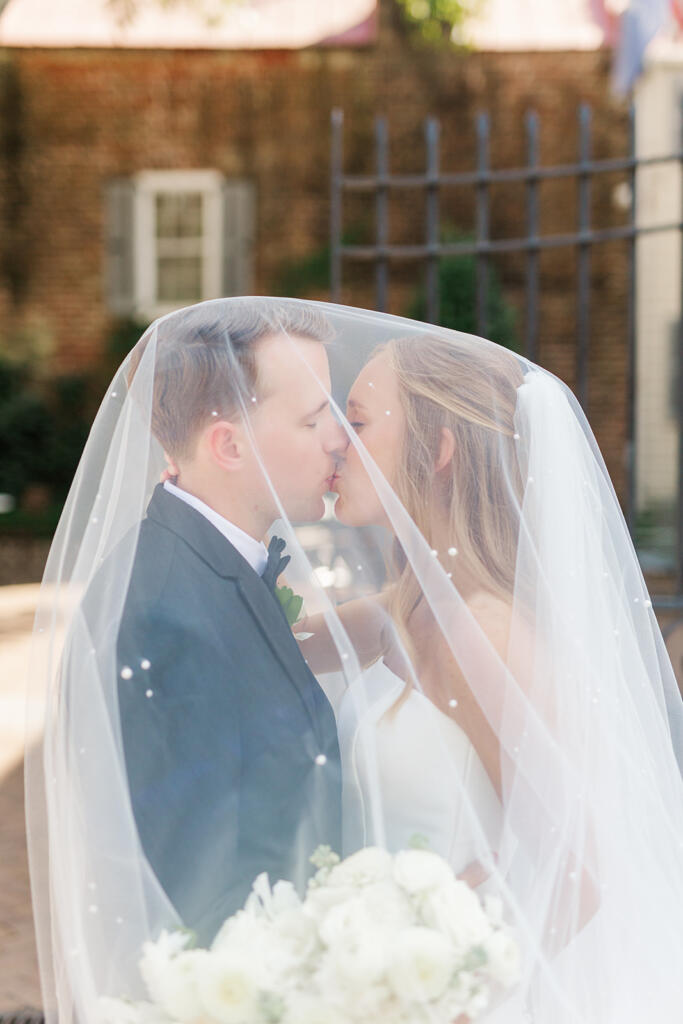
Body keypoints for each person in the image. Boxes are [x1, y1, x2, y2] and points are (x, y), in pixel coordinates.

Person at [27, 301, 683, 1024]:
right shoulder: (404, 606)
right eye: (321, 419)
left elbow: (576, 860)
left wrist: (436, 986)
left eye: (358, 420)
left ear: (434, 450)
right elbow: (260, 644)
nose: (338, 441)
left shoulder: (481, 632)